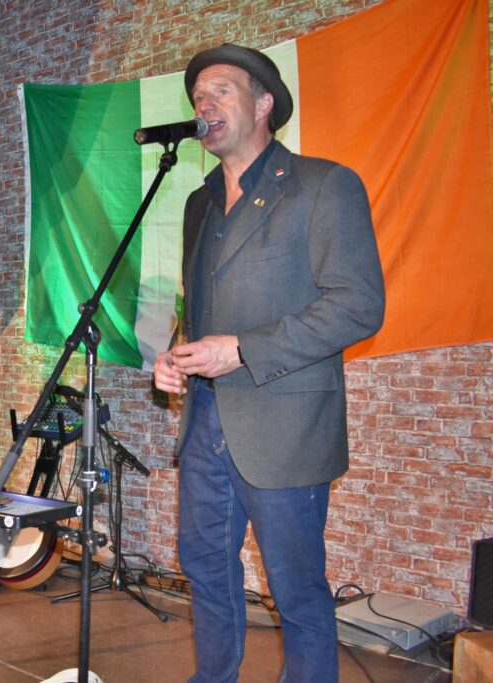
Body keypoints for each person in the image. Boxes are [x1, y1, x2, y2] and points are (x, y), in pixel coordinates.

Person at [152, 44, 385, 681]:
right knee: (205, 568)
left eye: (220, 90)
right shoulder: (199, 203)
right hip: (205, 422)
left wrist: (242, 349)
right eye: (197, 95)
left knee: (296, 588)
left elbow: (358, 305)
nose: (203, 102)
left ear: (263, 104)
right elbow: (202, 310)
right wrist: (176, 357)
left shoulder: (324, 185)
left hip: (285, 427)